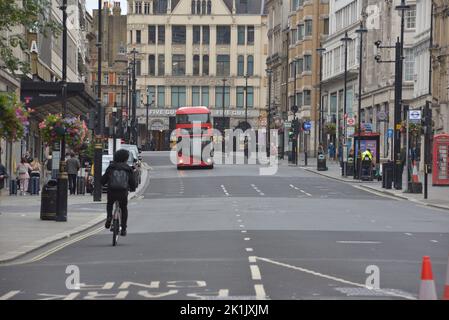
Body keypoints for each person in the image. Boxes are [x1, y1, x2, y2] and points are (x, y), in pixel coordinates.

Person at [101, 149, 137, 236]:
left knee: (110, 204)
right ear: (125, 158)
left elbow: (103, 180)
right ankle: (123, 229)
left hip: (112, 191)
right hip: (123, 192)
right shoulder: (128, 168)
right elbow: (132, 182)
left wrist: (102, 183)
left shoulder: (111, 167)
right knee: (123, 208)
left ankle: (109, 217)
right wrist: (133, 189)